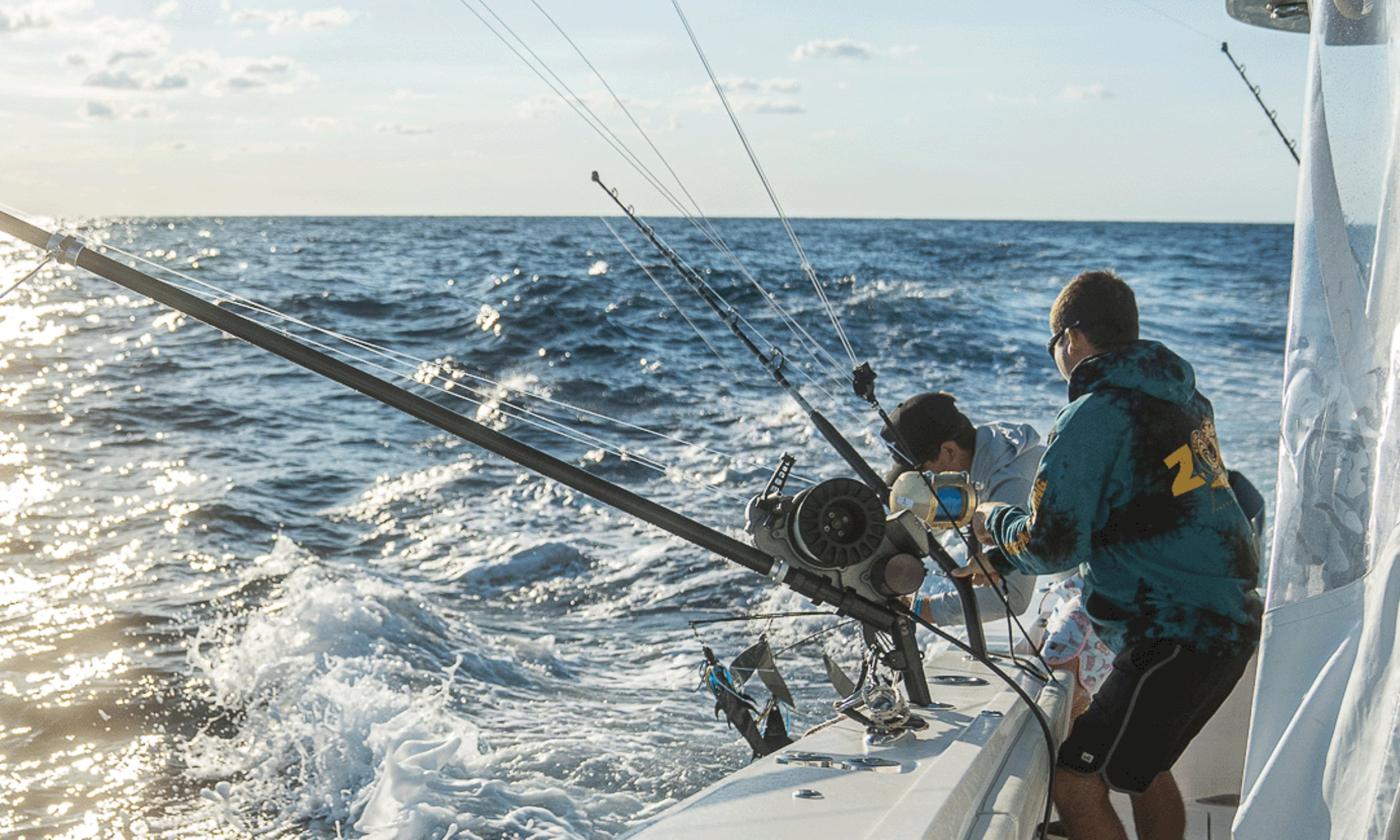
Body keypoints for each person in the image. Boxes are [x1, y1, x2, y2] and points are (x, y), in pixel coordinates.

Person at [961, 270, 1262, 840]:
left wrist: (989, 520)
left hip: (1175, 637)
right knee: (1144, 770)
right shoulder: (1186, 402)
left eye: (1053, 345)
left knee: (1075, 780)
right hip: (1225, 629)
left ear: (1072, 339)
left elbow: (1051, 545)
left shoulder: (1095, 413)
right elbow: (1129, 519)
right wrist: (1001, 562)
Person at [879, 391, 1042, 626]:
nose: (923, 480)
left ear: (948, 451)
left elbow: (1012, 597)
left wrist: (917, 609)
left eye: (923, 470)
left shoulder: (1012, 484)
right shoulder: (985, 449)